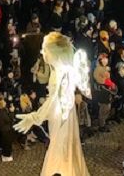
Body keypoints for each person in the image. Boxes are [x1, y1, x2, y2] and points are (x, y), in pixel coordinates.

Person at [14, 32, 91, 176]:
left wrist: (34, 117)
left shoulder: (59, 74)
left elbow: (52, 101)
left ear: (54, 53)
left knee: (58, 148)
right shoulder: (64, 69)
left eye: (45, 49)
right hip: (65, 113)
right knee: (64, 147)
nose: (42, 52)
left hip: (60, 115)